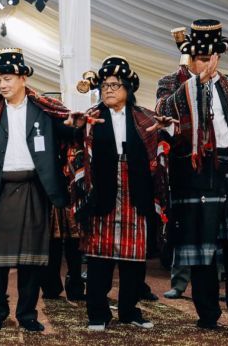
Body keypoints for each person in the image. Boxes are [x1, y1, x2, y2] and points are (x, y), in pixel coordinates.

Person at [0, 48, 74, 332]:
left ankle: (27, 315)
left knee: (32, 259)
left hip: (35, 188)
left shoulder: (44, 108)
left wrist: (75, 126)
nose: (2, 85)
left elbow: (69, 136)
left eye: (8, 78)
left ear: (23, 78)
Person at [73, 56, 172, 331]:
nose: (108, 90)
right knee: (99, 256)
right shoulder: (91, 117)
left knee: (134, 257)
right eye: (104, 85)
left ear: (128, 88)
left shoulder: (144, 117)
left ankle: (129, 311)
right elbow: (76, 146)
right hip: (101, 189)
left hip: (135, 188)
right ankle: (98, 312)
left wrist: (166, 131)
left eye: (115, 85)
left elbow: (161, 147)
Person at [156, 19, 228, 329]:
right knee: (201, 247)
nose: (206, 63)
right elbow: (163, 109)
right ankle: (208, 314)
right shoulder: (171, 83)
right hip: (195, 168)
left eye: (211, 57)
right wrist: (197, 82)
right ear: (191, 57)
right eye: (201, 57)